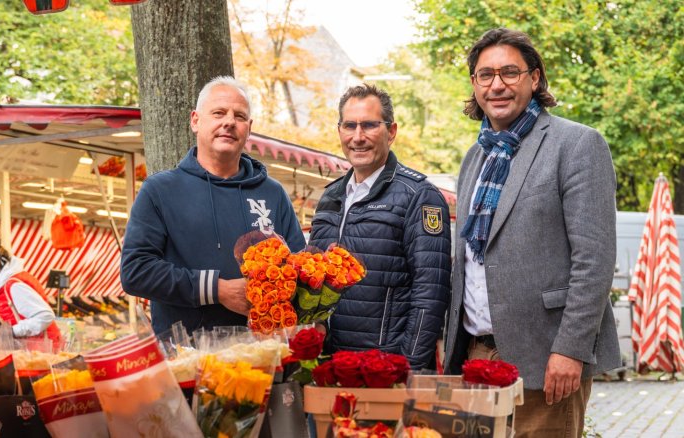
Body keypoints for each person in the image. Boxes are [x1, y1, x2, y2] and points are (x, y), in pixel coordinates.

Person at [442, 28, 621, 437]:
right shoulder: (475, 157)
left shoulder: (576, 144)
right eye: (486, 75)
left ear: (535, 78)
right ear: (474, 84)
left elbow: (594, 261)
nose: (497, 85)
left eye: (510, 72)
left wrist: (570, 349)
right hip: (476, 355)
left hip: (546, 359)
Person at [120, 76, 306, 335]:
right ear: (195, 121)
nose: (229, 122)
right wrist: (217, 289)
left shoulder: (272, 193)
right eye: (219, 113)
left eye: (239, 116)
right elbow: (136, 271)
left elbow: (300, 268)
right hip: (185, 353)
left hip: (264, 350)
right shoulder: (160, 190)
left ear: (249, 128)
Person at [308, 84, 451, 371]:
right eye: (350, 126)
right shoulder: (330, 196)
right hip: (329, 366)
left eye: (370, 125)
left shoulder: (420, 196)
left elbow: (431, 293)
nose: (358, 137)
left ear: (391, 131)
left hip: (385, 370)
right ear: (339, 131)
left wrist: (407, 368)